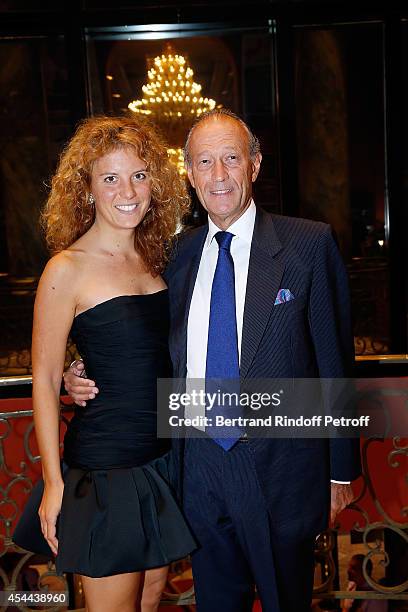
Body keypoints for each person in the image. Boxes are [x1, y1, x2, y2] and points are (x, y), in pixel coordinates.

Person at [64, 109, 361, 611]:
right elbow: (139, 339)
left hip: (281, 468)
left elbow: (335, 364)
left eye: (231, 159)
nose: (218, 175)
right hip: (194, 465)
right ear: (189, 173)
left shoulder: (308, 244)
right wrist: (80, 370)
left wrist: (340, 471)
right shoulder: (170, 255)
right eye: (205, 162)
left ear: (255, 165)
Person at [13, 115, 196, 612]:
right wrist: (53, 482)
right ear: (88, 188)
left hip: (161, 460)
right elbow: (46, 379)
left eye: (138, 175)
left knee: (152, 595)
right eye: (110, 177)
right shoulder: (65, 268)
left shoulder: (156, 259)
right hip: (107, 468)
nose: (127, 190)